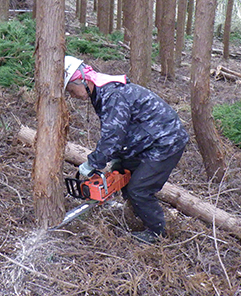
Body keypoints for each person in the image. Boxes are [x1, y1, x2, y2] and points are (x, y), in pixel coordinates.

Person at [64, 55, 189, 244]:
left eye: (71, 90)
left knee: (139, 188)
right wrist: (117, 158)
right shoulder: (102, 92)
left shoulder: (111, 95)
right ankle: (138, 213)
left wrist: (94, 162)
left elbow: (113, 136)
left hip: (166, 141)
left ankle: (157, 232)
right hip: (147, 140)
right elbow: (123, 129)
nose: (72, 95)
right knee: (122, 173)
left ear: (81, 79)